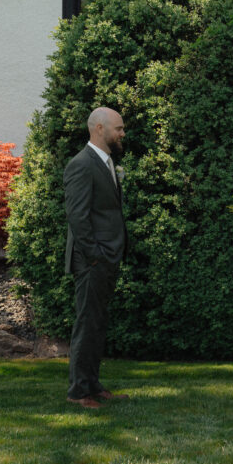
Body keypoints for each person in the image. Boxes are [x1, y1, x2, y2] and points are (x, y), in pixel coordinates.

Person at [63, 107, 129, 409]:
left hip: (105, 257)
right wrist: (94, 256)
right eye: (118, 128)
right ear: (99, 129)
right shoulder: (82, 164)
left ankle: (92, 383)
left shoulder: (106, 162)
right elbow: (77, 216)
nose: (122, 134)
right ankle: (78, 392)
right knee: (87, 323)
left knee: (98, 322)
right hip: (93, 259)